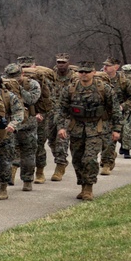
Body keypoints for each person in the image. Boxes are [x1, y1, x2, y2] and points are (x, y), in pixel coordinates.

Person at [54, 61, 122, 201]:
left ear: (94, 72)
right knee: (77, 160)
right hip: (77, 128)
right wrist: (61, 127)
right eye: (81, 72)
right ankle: (82, 184)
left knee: (89, 159)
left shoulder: (104, 88)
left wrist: (116, 129)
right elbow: (61, 109)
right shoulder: (70, 89)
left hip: (96, 129)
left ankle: (88, 187)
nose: (84, 74)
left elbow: (115, 109)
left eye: (87, 72)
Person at [3, 63, 41, 191]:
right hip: (10, 123)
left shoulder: (32, 84)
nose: (13, 79)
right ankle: (6, 179)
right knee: (8, 152)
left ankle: (27, 180)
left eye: (16, 77)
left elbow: (31, 99)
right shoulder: (3, 85)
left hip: (28, 123)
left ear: (22, 74)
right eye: (10, 77)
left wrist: (18, 89)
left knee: (28, 153)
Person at [98, 57, 131, 175]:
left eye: (108, 65)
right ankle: (108, 156)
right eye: (104, 65)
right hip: (101, 113)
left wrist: (123, 106)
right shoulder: (99, 79)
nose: (105, 67)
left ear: (116, 67)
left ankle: (107, 164)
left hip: (117, 115)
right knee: (100, 139)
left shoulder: (124, 81)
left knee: (110, 139)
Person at [45, 54, 73, 182]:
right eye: (58, 62)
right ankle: (60, 159)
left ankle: (60, 165)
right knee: (51, 140)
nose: (61, 64)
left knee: (62, 139)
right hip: (51, 111)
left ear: (68, 63)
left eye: (63, 62)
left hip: (66, 112)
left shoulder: (74, 77)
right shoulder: (50, 76)